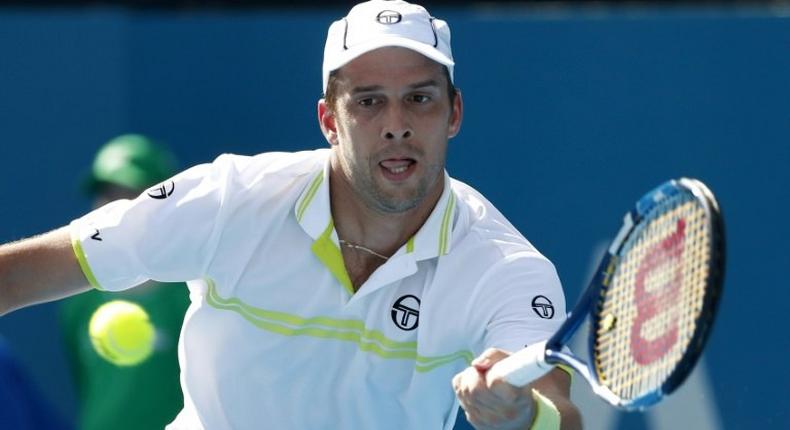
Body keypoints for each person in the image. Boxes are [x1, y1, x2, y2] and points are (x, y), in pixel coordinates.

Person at [0, 1, 582, 429]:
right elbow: (25, 272)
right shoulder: (230, 199)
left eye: (420, 98)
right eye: (369, 101)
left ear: (453, 113)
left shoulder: (505, 268)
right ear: (330, 121)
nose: (397, 123)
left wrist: (522, 414)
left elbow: (562, 412)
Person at [59, 135, 190, 430]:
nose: (113, 208)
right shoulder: (78, 305)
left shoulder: (195, 297)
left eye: (130, 194)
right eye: (107, 194)